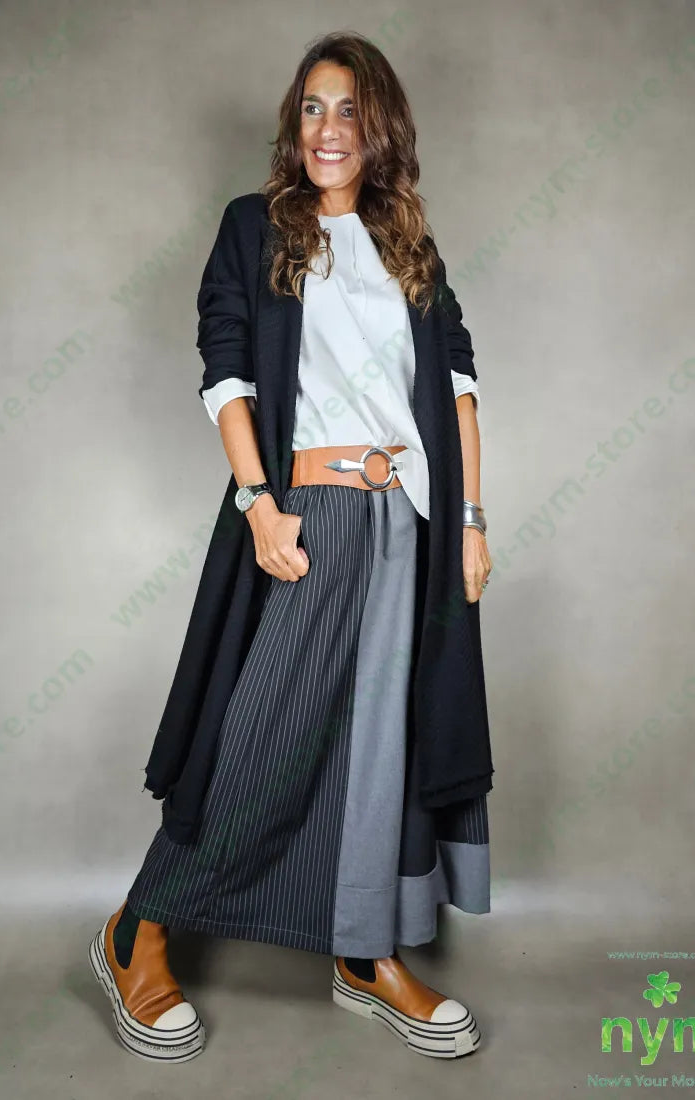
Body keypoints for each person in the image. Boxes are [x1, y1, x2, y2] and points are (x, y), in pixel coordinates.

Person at [88, 29, 494, 1064]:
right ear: (293, 124)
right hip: (309, 512)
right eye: (311, 107)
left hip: (410, 518)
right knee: (264, 737)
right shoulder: (254, 226)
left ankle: (363, 951)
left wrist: (470, 520)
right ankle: (139, 928)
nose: (327, 128)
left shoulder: (410, 246)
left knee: (384, 745)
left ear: (379, 127)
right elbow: (225, 369)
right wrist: (260, 505)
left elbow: (457, 383)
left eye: (347, 108)